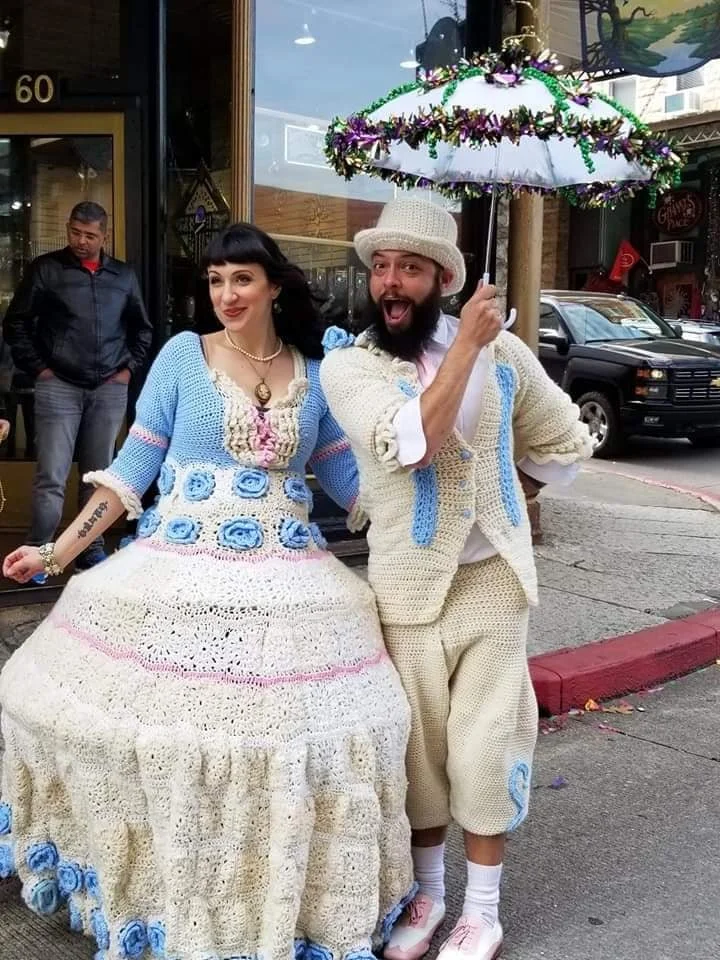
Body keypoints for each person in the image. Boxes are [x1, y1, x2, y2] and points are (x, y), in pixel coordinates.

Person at [0, 224, 413, 959]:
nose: (226, 294)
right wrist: (57, 553)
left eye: (242, 279)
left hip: (292, 581)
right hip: (179, 567)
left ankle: (269, 896)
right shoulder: (182, 356)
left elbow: (352, 484)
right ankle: (172, 895)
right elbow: (130, 473)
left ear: (274, 286)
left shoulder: (318, 372)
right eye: (216, 280)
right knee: (171, 740)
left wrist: (425, 504)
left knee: (289, 743)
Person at [320, 197, 594, 960]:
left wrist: (506, 493)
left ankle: (483, 910)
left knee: (483, 748)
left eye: (409, 268)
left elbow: (565, 441)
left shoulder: (503, 355)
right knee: (421, 757)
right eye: (380, 267)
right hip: (406, 585)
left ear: (443, 278)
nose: (390, 282)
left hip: (493, 580)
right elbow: (412, 444)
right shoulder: (350, 366)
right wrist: (468, 347)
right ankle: (430, 894)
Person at [3, 201, 153, 574]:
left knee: (98, 477)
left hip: (109, 388)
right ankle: (37, 554)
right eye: (74, 232)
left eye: (89, 235)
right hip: (59, 385)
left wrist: (127, 371)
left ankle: (89, 550)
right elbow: (16, 323)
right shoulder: (47, 269)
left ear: (105, 235)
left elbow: (142, 329)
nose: (80, 241)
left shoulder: (123, 276)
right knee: (51, 477)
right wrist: (41, 369)